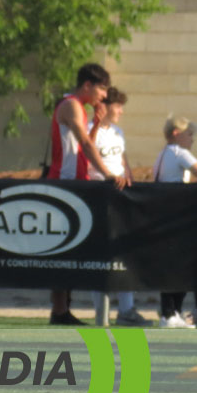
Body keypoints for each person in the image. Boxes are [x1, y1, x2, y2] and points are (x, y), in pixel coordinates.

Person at [46, 63, 128, 326]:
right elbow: (85, 143)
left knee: (72, 249)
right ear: (87, 86)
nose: (104, 96)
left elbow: (84, 143)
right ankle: (59, 310)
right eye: (102, 89)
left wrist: (98, 123)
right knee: (62, 249)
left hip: (75, 183)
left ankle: (62, 310)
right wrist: (107, 174)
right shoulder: (70, 105)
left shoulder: (79, 108)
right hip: (64, 183)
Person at [88, 87, 149, 326]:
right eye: (118, 106)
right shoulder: (92, 131)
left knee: (124, 253)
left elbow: (123, 163)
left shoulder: (118, 133)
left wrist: (131, 186)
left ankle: (127, 310)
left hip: (120, 197)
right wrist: (95, 123)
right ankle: (100, 312)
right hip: (99, 195)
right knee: (99, 256)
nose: (121, 111)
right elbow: (87, 150)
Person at [152, 115, 197, 328]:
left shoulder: (161, 154)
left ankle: (172, 312)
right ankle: (170, 313)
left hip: (165, 217)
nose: (192, 139)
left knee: (172, 265)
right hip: (178, 217)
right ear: (176, 134)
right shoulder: (180, 152)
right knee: (181, 266)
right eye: (189, 134)